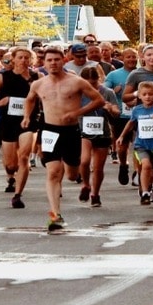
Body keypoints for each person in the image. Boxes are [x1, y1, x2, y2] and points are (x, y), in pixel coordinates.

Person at [22, 47, 104, 230]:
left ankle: (79, 179)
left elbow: (98, 100)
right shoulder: (38, 84)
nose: (53, 63)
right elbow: (29, 100)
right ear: (44, 63)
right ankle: (55, 215)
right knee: (53, 171)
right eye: (49, 60)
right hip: (49, 130)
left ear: (63, 61)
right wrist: (26, 117)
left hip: (71, 131)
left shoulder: (77, 82)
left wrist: (77, 112)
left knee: (71, 174)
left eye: (56, 60)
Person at [0, 47, 40, 208]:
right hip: (8, 121)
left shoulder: (37, 77)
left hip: (29, 121)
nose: (23, 60)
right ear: (13, 59)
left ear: (31, 61)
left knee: (24, 157)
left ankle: (18, 195)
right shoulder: (2, 77)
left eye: (27, 58)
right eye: (20, 57)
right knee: (11, 164)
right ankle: (11, 176)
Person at [115, 81, 153, 205]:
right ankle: (145, 194)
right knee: (146, 165)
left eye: (150, 94)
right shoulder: (137, 110)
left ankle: (146, 186)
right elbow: (131, 123)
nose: (147, 97)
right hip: (141, 144)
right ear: (139, 96)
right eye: (144, 94)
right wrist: (121, 136)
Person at [78, 67, 120, 207]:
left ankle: (95, 194)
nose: (91, 86)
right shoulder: (78, 93)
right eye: (87, 83)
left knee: (98, 167)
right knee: (84, 161)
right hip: (83, 130)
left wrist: (110, 108)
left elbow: (116, 112)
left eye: (94, 83)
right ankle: (85, 184)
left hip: (102, 131)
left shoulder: (107, 92)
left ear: (98, 80)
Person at [104, 48, 138, 184]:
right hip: (121, 115)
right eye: (128, 57)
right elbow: (103, 90)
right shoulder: (114, 75)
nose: (131, 60)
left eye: (134, 57)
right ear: (122, 59)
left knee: (138, 145)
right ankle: (123, 165)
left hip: (140, 114)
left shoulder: (141, 73)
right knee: (122, 147)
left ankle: (138, 172)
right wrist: (113, 90)